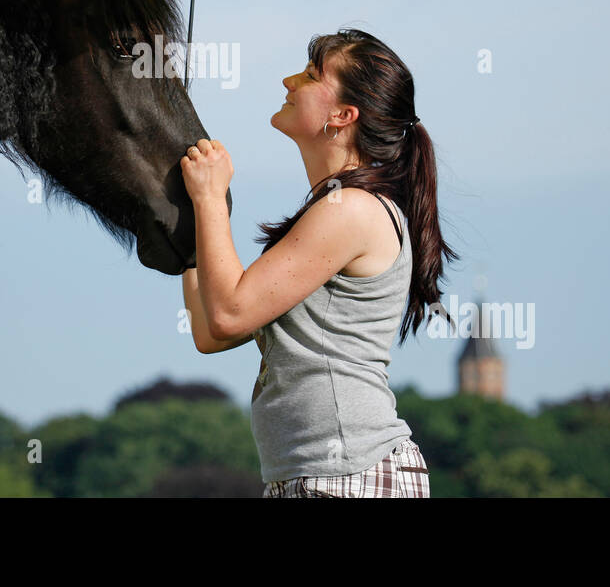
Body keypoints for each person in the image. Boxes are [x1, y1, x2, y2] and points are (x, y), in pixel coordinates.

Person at [180, 27, 458, 497]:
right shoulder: (333, 210)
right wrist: (193, 217)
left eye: (310, 75)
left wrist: (209, 199)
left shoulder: (351, 209)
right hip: (314, 478)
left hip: (349, 475)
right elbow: (210, 332)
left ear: (342, 115)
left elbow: (229, 314)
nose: (288, 81)